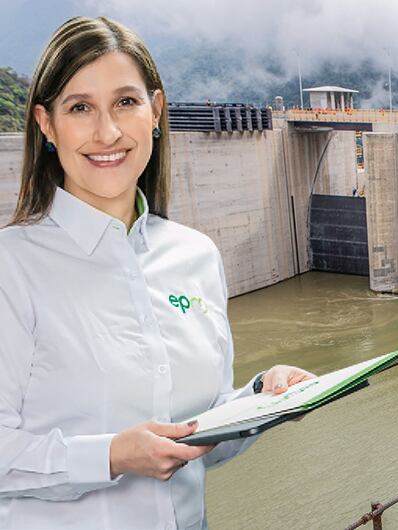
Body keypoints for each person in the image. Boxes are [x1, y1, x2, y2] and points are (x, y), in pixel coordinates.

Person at [0, 16, 316, 528]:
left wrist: (261, 398)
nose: (107, 131)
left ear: (156, 111)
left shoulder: (194, 256)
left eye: (126, 102)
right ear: (46, 124)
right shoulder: (12, 267)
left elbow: (201, 442)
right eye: (80, 107)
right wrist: (110, 456)